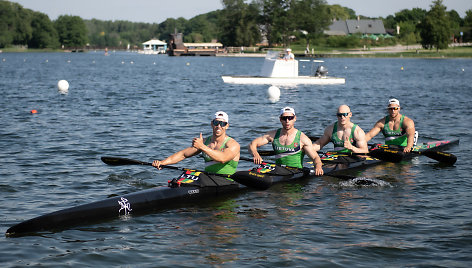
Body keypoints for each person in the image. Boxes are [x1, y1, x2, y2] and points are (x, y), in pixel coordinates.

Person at [152, 111, 240, 175]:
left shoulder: (233, 145)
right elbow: (183, 154)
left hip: (226, 180)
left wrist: (202, 147)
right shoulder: (205, 142)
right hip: (208, 177)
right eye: (216, 122)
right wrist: (163, 162)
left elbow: (223, 158)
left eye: (222, 123)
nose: (219, 126)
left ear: (227, 126)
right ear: (212, 124)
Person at [248, 107, 323, 176]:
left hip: (295, 171)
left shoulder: (302, 139)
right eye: (284, 118)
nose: (287, 121)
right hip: (278, 170)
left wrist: (318, 167)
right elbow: (252, 144)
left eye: (290, 118)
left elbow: (315, 157)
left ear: (295, 118)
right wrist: (256, 154)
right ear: (280, 119)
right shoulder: (272, 135)